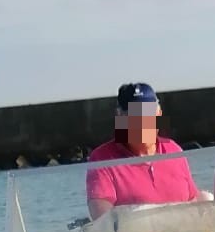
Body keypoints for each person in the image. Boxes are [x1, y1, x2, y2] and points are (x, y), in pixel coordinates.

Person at [86, 82, 206, 218]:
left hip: (183, 229)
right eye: (134, 114)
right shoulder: (102, 159)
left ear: (158, 113)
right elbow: (102, 219)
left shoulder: (174, 150)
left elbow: (193, 200)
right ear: (120, 116)